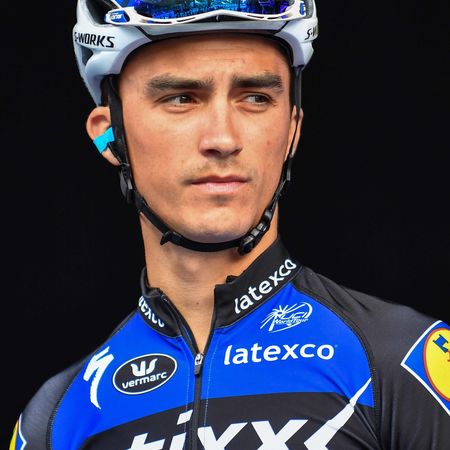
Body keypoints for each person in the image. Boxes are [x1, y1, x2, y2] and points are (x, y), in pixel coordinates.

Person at [9, 0, 449, 448]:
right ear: (110, 135)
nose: (222, 139)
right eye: (181, 98)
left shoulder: (399, 358)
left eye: (256, 98)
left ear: (292, 129)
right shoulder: (57, 418)